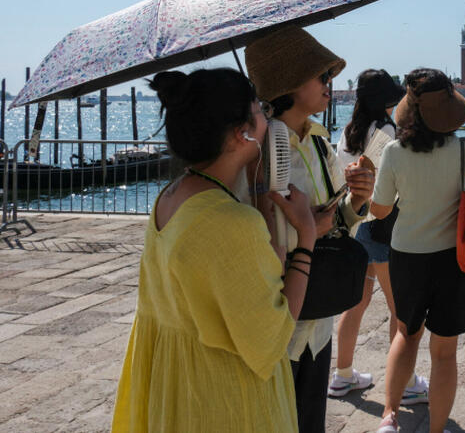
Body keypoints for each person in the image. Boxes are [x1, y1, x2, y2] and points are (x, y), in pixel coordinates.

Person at [113, 68, 321, 432]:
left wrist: (258, 188)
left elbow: (264, 267)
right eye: (259, 110)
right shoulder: (232, 222)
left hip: (175, 385)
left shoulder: (171, 196)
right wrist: (306, 236)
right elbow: (274, 334)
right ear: (242, 132)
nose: (266, 117)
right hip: (223, 396)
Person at [245, 26, 374, 433]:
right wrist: (309, 230)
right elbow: (249, 231)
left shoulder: (319, 141)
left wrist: (357, 200)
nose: (328, 85)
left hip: (318, 318)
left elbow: (339, 220)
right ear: (290, 81)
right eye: (321, 76)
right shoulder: (256, 150)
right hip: (276, 319)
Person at [368, 68, 465, 433]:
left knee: (405, 335)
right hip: (451, 259)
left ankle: (388, 417)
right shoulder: (464, 149)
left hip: (407, 254)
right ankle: (435, 429)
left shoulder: (393, 152)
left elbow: (379, 210)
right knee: (444, 353)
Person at [327, 69, 429, 405]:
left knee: (355, 302)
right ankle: (406, 382)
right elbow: (391, 185)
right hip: (380, 227)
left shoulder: (347, 132)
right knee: (400, 309)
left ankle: (342, 376)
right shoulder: (386, 130)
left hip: (355, 224)